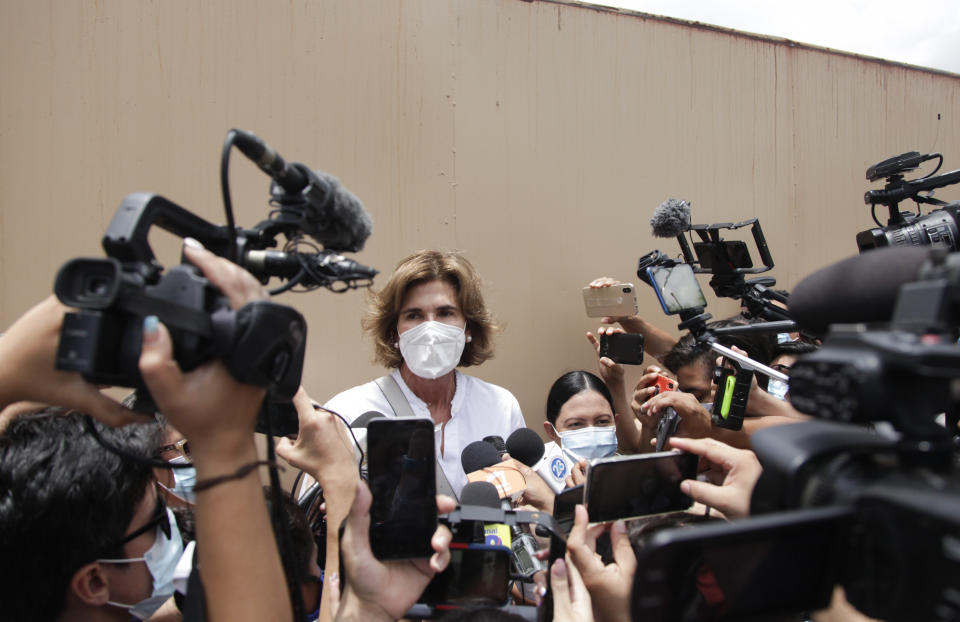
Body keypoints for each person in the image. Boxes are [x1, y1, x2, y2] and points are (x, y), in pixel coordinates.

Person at [321, 250, 525, 498]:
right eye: (414, 315)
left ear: (468, 327)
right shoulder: (348, 413)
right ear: (395, 332)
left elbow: (518, 505)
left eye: (445, 313)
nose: (430, 328)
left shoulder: (499, 407)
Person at [541, 370, 619, 488]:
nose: (592, 435)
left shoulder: (631, 474)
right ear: (551, 431)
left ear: (616, 423)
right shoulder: (537, 476)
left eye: (602, 421)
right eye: (576, 424)